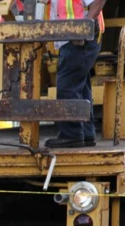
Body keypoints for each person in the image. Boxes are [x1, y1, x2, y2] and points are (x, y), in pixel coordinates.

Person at [44, 0, 107, 148]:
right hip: (72, 39)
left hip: (79, 39)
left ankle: (71, 135)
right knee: (80, 87)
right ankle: (86, 133)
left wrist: (84, 27)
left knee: (67, 87)